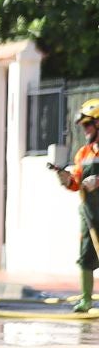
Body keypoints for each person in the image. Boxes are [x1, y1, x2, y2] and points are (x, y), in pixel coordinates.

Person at [50, 98, 99, 313]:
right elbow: (76, 183)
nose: (85, 129)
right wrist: (66, 179)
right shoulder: (83, 153)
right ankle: (86, 299)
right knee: (86, 255)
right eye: (83, 125)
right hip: (89, 214)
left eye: (88, 124)